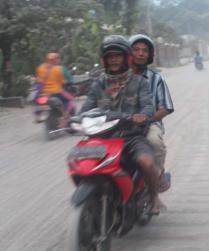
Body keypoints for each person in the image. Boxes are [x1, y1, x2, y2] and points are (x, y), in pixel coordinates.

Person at [79, 35, 165, 214]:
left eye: (118, 55)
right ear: (105, 60)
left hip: (132, 136)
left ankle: (154, 196)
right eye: (110, 56)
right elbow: (86, 108)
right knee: (81, 162)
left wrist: (143, 116)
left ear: (127, 58)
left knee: (146, 162)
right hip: (102, 137)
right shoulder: (98, 84)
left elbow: (148, 106)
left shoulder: (139, 82)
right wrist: (77, 118)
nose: (114, 60)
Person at [130, 34, 175, 192]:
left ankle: (158, 175)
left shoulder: (156, 79)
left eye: (144, 50)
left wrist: (147, 120)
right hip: (121, 124)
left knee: (154, 142)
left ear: (149, 55)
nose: (141, 53)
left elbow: (166, 107)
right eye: (136, 50)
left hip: (150, 123)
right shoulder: (119, 77)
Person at [34, 52, 76, 125]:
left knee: (37, 100)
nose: (59, 60)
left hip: (44, 93)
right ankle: (65, 114)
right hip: (56, 92)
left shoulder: (40, 68)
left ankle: (38, 115)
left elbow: (38, 80)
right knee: (70, 99)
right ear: (55, 60)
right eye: (58, 59)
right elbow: (62, 82)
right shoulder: (58, 69)